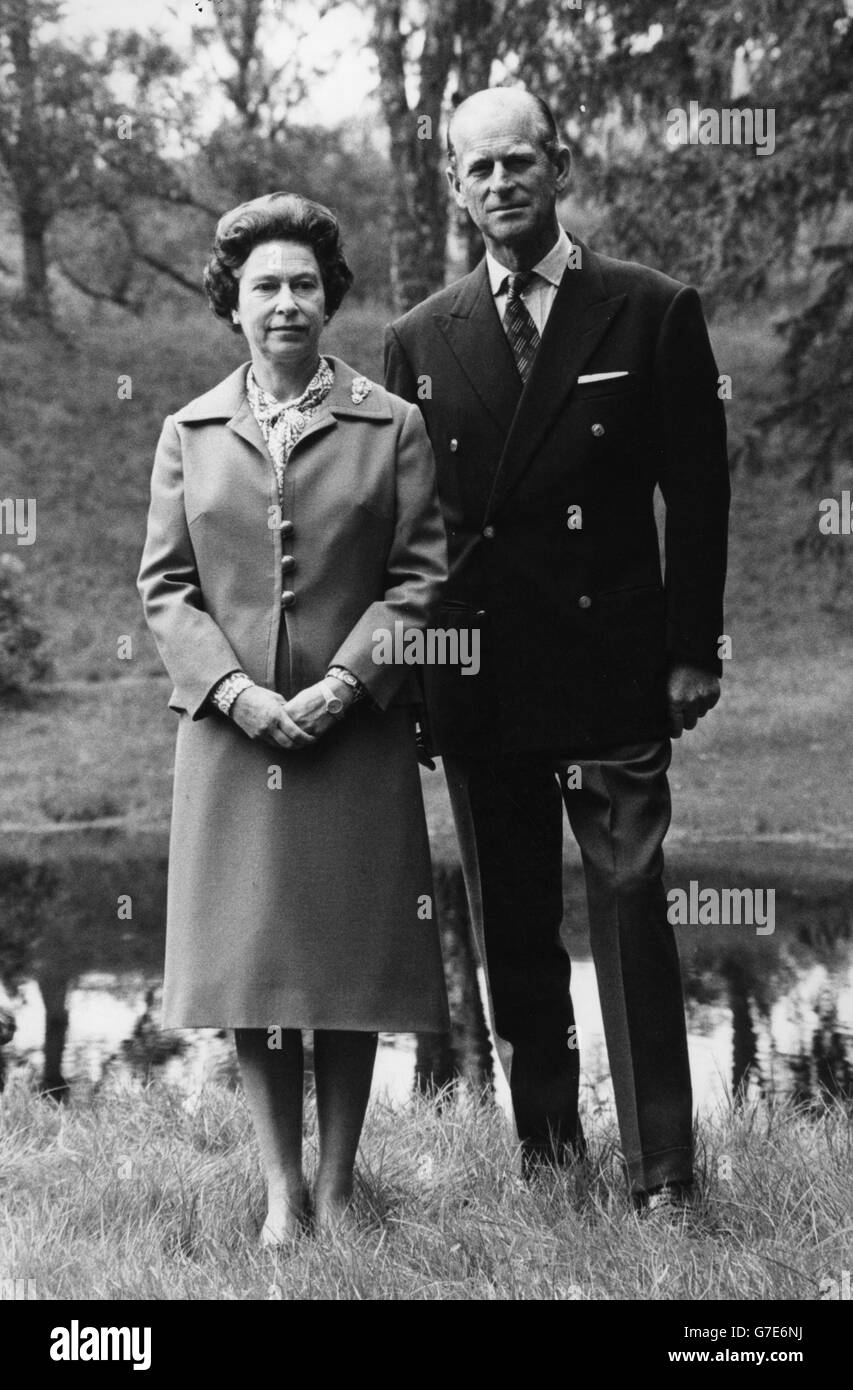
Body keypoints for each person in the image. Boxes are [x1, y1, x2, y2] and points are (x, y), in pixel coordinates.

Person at [385, 88, 730, 1213]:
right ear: (453, 183)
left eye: (519, 163)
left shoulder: (648, 310)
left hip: (615, 668)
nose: (499, 185)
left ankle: (662, 1174)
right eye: (477, 169)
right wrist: (423, 684)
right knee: (515, 928)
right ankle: (547, 1160)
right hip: (481, 683)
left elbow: (700, 492)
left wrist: (691, 651)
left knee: (629, 910)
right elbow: (413, 531)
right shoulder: (418, 337)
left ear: (560, 165)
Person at [138, 192, 449, 1243]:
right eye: (265, 286)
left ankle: (338, 1183)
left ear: (330, 299)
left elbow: (418, 581)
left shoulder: (390, 424)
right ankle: (277, 1189)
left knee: (346, 965)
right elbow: (166, 589)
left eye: (304, 285)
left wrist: (344, 683)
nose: (286, 303)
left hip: (351, 735)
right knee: (257, 965)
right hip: (232, 742)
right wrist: (237, 693)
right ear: (235, 303)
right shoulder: (188, 430)